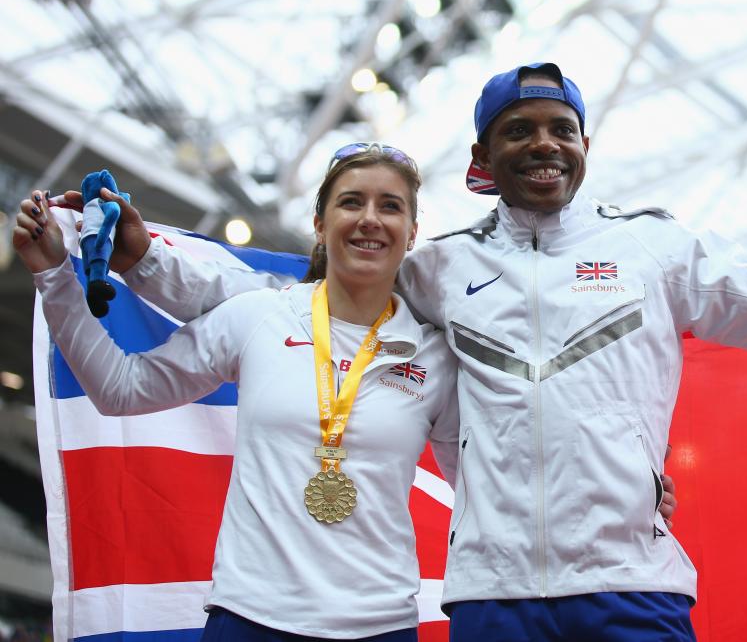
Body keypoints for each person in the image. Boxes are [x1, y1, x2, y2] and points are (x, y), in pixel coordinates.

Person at [55, 64, 747, 642]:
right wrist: (143, 255)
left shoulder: (657, 251)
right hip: (492, 596)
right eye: (521, 131)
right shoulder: (436, 268)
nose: (546, 143)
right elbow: (284, 297)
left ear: (586, 146)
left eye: (563, 128)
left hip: (633, 585)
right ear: (483, 162)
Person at [15, 146, 461, 641]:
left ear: (413, 232)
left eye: (391, 206)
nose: (370, 219)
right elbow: (121, 389)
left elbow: (479, 490)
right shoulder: (259, 316)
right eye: (351, 202)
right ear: (319, 223)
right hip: (250, 618)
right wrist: (55, 275)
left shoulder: (436, 357)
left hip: (381, 625)